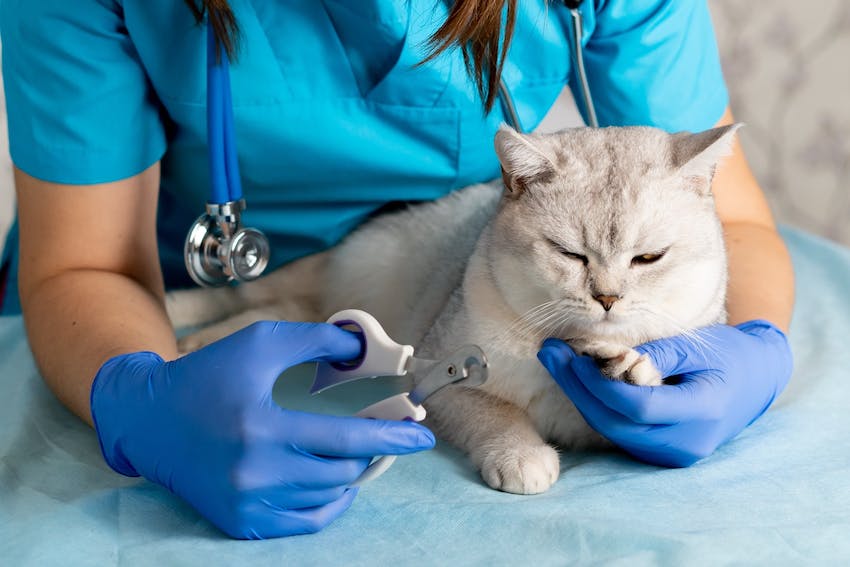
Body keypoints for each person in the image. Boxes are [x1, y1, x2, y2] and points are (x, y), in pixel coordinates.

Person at [0, 0, 794, 539]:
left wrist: (750, 349)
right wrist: (145, 395)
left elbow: (733, 217)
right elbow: (82, 261)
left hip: (464, 259)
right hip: (171, 291)